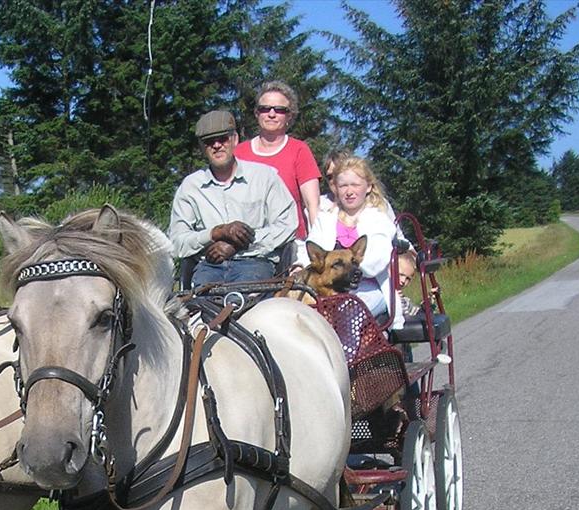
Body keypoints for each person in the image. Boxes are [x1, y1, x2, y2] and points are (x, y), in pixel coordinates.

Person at [169, 109, 297, 287]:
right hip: (208, 267)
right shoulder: (190, 187)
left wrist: (239, 245)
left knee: (251, 309)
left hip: (256, 264)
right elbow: (177, 243)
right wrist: (215, 233)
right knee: (199, 310)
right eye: (209, 141)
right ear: (201, 147)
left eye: (222, 139)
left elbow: (287, 226)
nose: (216, 145)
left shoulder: (265, 177)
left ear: (234, 139)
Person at [300, 155, 404, 330]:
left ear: (369, 187)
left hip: (369, 288)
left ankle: (346, 355)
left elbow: (375, 262)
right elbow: (309, 251)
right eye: (343, 186)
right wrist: (300, 265)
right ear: (336, 189)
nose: (349, 191)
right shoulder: (325, 218)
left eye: (355, 185)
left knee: (348, 314)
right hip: (330, 290)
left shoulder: (379, 220)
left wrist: (345, 265)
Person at [233, 81, 321, 242]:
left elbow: (312, 204)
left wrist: (318, 243)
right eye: (265, 109)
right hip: (246, 243)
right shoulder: (239, 152)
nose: (271, 114)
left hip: (291, 241)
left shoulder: (299, 150)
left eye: (279, 110)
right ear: (257, 113)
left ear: (289, 116)